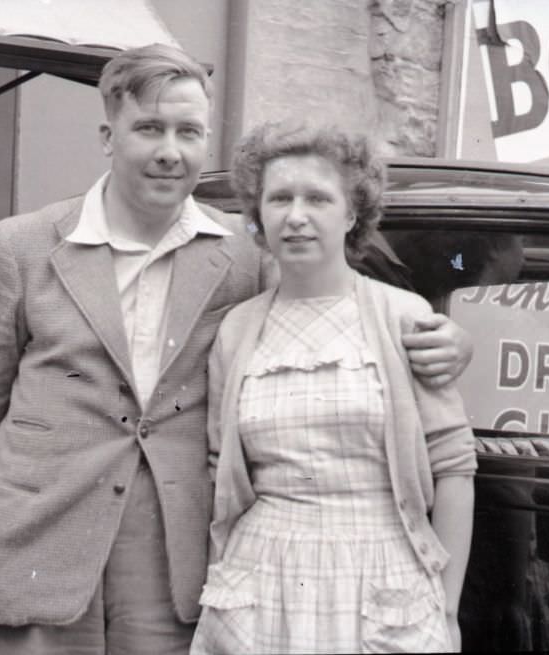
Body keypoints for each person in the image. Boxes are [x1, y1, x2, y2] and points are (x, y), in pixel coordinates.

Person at [0, 45, 472, 654]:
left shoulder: (242, 258)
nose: (170, 150)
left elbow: (324, 316)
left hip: (170, 551)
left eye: (188, 131)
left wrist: (450, 339)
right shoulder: (22, 247)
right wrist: (33, 482)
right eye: (149, 129)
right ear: (108, 136)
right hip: (38, 539)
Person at [191, 122, 477, 654]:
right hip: (262, 577)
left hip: (381, 570)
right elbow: (220, 472)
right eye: (279, 198)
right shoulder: (236, 329)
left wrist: (449, 608)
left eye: (318, 198)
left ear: (351, 214)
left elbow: (455, 467)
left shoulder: (404, 317)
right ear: (258, 216)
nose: (296, 216)